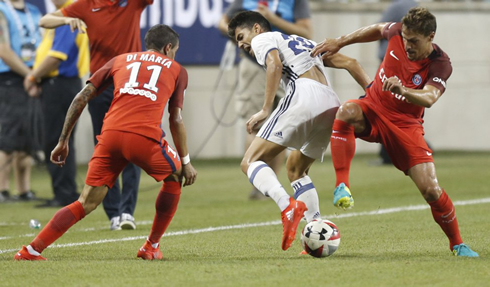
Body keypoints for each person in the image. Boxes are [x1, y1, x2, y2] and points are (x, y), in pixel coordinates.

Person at [14, 24, 197, 261]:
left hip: (109, 136)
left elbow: (81, 97)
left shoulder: (120, 60)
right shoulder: (177, 69)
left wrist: (63, 140)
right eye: (175, 51)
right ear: (169, 47)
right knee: (176, 175)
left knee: (85, 202)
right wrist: (186, 161)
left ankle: (31, 250)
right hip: (144, 138)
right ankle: (151, 246)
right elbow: (176, 118)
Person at [311, 7, 479, 257]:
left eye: (414, 41)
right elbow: (377, 29)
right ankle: (341, 185)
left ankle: (457, 243)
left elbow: (430, 97)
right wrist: (340, 41)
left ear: (430, 36)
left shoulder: (440, 64)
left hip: (405, 125)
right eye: (405, 39)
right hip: (373, 107)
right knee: (346, 111)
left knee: (431, 189)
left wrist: (404, 90)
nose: (407, 44)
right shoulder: (398, 31)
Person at [228, 11, 371, 251]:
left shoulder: (263, 39)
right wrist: (373, 94)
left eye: (241, 36)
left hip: (303, 93)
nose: (242, 44)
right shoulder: (305, 42)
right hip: (330, 104)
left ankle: (287, 206)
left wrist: (265, 110)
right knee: (295, 168)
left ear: (256, 28)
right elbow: (351, 63)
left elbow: (274, 64)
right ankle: (315, 227)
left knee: (249, 161)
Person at [38, 0, 153, 229]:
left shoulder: (132, 3)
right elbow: (44, 20)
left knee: (133, 146)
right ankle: (113, 214)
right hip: (101, 86)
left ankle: (127, 211)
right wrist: (65, 19)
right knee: (105, 148)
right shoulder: (84, 5)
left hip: (130, 84)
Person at [218, 0, 312, 200]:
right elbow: (223, 23)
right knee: (256, 125)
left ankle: (271, 184)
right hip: (254, 67)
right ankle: (260, 184)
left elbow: (306, 31)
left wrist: (273, 19)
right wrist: (244, 36)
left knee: (281, 129)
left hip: (287, 68)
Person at [23, 0, 89, 208]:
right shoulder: (62, 14)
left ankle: (64, 193)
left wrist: (32, 77)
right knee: (60, 138)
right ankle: (65, 191)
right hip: (59, 84)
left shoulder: (68, 15)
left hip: (60, 84)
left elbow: (56, 57)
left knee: (56, 139)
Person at [0, 0, 42, 203]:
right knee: (8, 137)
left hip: (32, 75)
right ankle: (2, 189)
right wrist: (30, 75)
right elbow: (3, 49)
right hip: (11, 77)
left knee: (27, 139)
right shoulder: (1, 9)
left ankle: (24, 190)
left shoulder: (33, 10)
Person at [373, 0, 418, 166]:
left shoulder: (397, 6)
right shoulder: (413, 5)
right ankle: (403, 150)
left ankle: (392, 154)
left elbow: (377, 29)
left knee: (386, 109)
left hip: (392, 63)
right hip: (405, 63)